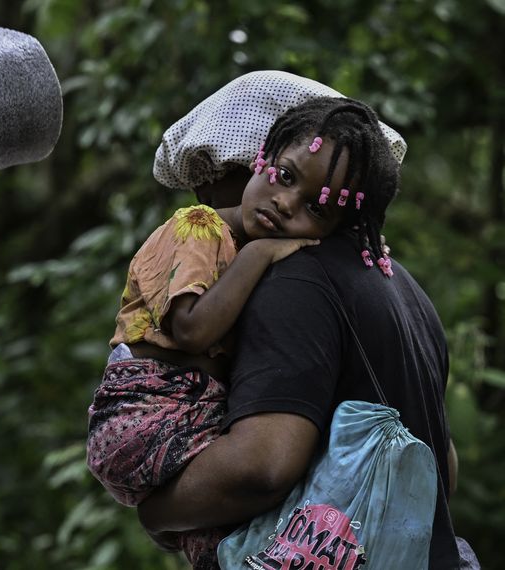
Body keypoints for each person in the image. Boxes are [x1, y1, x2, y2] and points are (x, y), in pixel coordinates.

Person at [135, 83, 481, 568]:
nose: (207, 201)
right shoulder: (407, 291)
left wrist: (158, 513)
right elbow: (443, 467)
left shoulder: (293, 277)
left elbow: (262, 465)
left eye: (213, 180)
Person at [86, 91, 405, 569]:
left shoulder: (271, 265)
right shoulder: (199, 227)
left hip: (194, 425)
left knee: (232, 546)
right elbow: (191, 330)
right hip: (146, 416)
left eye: (314, 209)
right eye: (286, 176)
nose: (285, 203)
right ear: (260, 159)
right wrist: (258, 256)